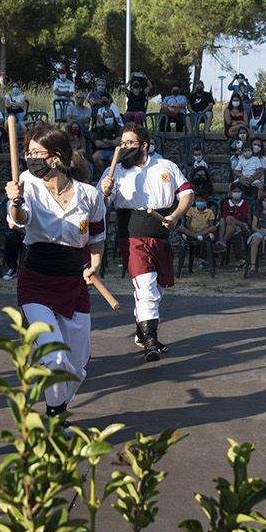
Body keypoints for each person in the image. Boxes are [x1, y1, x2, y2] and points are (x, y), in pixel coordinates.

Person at [6, 124, 107, 419]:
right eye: (29, 153)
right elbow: (19, 220)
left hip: (74, 283)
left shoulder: (89, 195)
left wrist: (95, 266)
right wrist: (15, 202)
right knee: (55, 356)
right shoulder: (25, 182)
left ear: (58, 155)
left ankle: (57, 406)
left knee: (77, 365)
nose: (32, 158)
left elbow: (98, 239)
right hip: (36, 279)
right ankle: (54, 415)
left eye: (38, 153)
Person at [99, 124, 193, 361]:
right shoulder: (114, 172)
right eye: (122, 143)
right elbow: (98, 206)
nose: (124, 147)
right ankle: (151, 341)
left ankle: (142, 332)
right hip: (131, 233)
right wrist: (104, 192)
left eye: (130, 143)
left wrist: (175, 215)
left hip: (160, 233)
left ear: (144, 145)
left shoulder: (166, 166)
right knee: (146, 285)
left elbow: (186, 193)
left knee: (157, 288)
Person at [178, 195, 218, 267]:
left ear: (206, 202)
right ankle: (196, 236)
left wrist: (202, 231)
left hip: (204, 232)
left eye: (202, 201)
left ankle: (197, 236)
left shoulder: (209, 212)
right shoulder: (191, 210)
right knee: (181, 228)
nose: (199, 203)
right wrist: (193, 232)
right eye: (198, 201)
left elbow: (210, 225)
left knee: (214, 228)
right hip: (192, 231)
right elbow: (187, 223)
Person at [217, 185, 252, 257]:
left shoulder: (244, 203)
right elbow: (224, 214)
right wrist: (229, 218)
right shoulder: (226, 202)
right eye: (234, 191)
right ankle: (222, 241)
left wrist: (233, 219)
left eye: (238, 191)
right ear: (231, 192)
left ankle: (222, 243)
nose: (236, 193)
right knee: (223, 220)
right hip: (227, 223)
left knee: (235, 229)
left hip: (242, 226)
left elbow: (243, 216)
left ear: (242, 192)